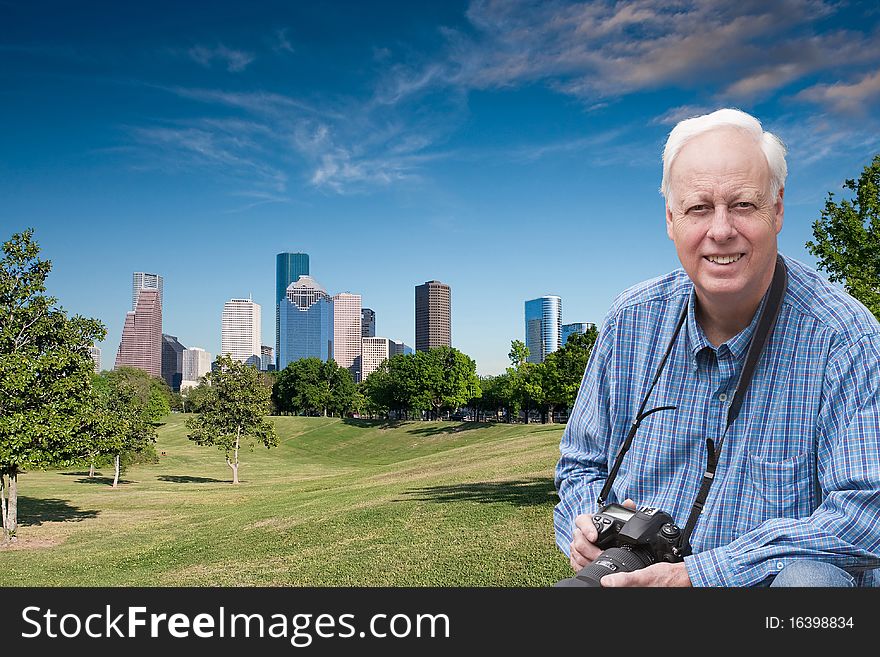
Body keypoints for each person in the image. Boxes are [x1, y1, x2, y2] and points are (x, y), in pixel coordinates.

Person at [554, 108, 880, 587]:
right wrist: (587, 528)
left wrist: (699, 575)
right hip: (640, 581)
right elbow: (580, 465)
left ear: (779, 209)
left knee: (811, 583)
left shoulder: (844, 338)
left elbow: (867, 514)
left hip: (769, 592)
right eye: (699, 208)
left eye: (744, 205)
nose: (721, 230)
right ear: (671, 219)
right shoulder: (630, 320)